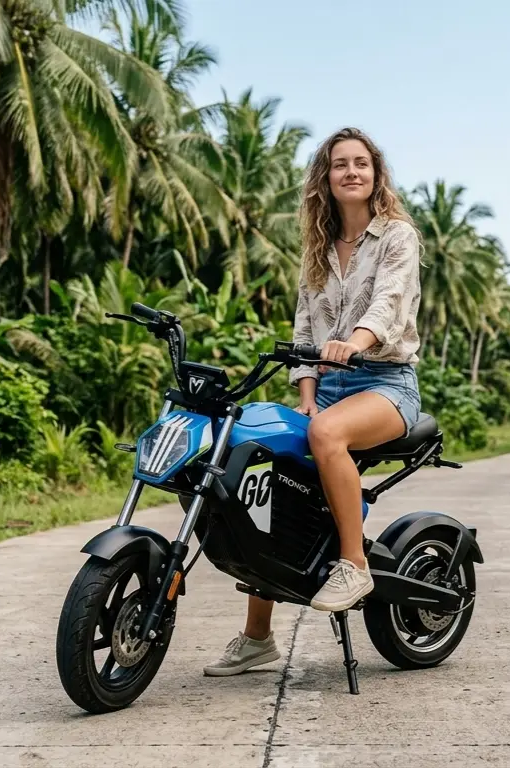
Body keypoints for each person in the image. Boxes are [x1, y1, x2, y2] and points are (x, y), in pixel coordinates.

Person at [203, 127, 422, 677]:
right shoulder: (318, 250)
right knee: (263, 459)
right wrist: (307, 397)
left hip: (386, 383)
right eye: (340, 164)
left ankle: (353, 564)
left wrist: (356, 343)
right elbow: (305, 327)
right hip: (326, 387)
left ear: (376, 174)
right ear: (325, 177)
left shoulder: (397, 236)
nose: (352, 172)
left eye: (361, 163)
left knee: (327, 434)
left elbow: (390, 303)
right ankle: (258, 638)